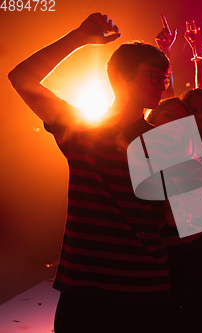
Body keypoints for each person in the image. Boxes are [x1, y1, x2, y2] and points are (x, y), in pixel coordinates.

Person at [8, 13, 185, 332]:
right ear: (121, 77)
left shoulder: (165, 141)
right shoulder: (81, 129)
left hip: (144, 290)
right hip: (86, 291)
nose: (162, 84)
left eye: (164, 77)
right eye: (153, 76)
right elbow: (20, 77)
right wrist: (78, 37)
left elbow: (179, 220)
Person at [148, 96, 202, 333]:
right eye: (168, 116)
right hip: (161, 265)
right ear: (151, 119)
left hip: (200, 261)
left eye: (183, 120)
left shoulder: (196, 164)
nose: (177, 124)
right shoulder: (137, 164)